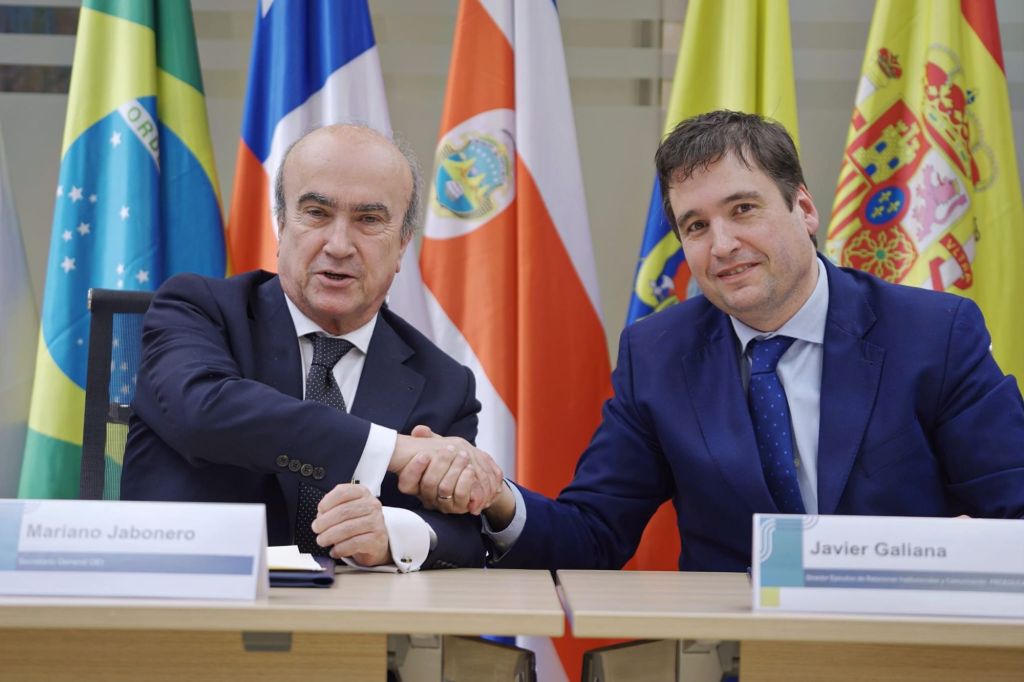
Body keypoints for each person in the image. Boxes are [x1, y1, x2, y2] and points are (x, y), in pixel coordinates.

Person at [479, 110, 1024, 572]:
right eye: (696, 226)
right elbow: (594, 535)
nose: (722, 245)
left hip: (903, 639)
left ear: (803, 209)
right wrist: (498, 498)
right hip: (736, 649)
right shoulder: (658, 355)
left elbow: (1013, 511)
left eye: (743, 210)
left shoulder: (933, 334)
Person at [122, 124, 503, 572]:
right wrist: (392, 450)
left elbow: (463, 533)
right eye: (317, 213)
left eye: (369, 220)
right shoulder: (198, 309)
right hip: (194, 599)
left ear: (402, 245)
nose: (339, 246)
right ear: (282, 225)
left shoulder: (443, 383)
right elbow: (203, 411)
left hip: (358, 615)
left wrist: (393, 535)